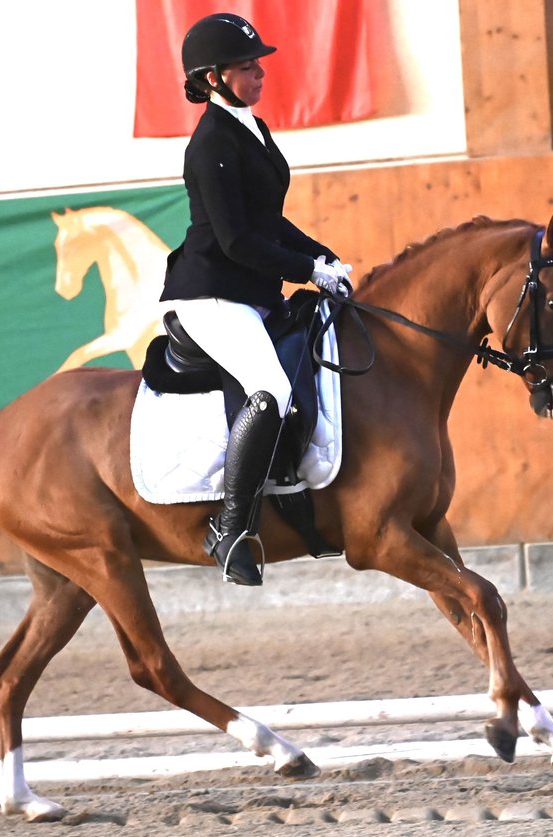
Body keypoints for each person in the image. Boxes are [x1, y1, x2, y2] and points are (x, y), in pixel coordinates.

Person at [159, 12, 352, 587]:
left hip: (251, 290)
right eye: (247, 67)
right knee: (271, 391)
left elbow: (270, 221)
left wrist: (324, 257)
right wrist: (306, 272)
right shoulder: (210, 143)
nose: (259, 73)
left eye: (258, 63)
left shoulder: (252, 127)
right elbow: (237, 239)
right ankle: (230, 526)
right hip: (214, 293)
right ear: (214, 78)